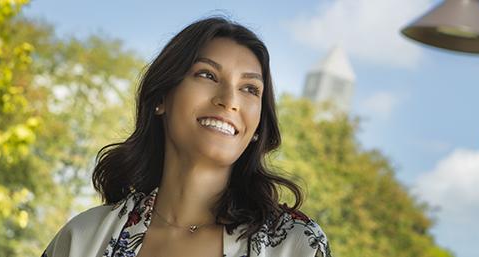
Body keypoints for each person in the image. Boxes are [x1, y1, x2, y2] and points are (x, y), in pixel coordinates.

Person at [42, 17, 331, 257]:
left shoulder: (296, 245)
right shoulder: (83, 238)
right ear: (161, 98)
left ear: (257, 126)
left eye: (250, 89)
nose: (229, 100)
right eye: (207, 75)